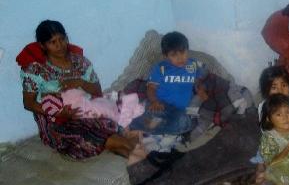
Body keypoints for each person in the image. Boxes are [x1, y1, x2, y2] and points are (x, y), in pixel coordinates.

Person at [19, 20, 145, 162]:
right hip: (57, 122)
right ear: (42, 45)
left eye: (62, 39)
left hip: (85, 110)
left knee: (111, 124)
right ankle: (143, 157)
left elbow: (97, 92)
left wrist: (80, 82)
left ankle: (142, 157)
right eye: (52, 42)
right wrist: (58, 112)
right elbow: (28, 103)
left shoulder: (80, 62)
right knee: (93, 136)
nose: (59, 45)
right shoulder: (35, 70)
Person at [129, 31, 206, 136]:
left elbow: (198, 80)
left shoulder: (193, 65)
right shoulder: (161, 68)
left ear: (187, 50)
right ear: (166, 56)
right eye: (174, 55)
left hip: (179, 111)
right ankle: (138, 124)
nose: (180, 58)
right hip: (161, 106)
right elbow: (151, 88)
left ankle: (149, 127)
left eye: (183, 52)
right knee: (146, 112)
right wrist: (154, 101)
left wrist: (200, 89)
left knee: (184, 122)